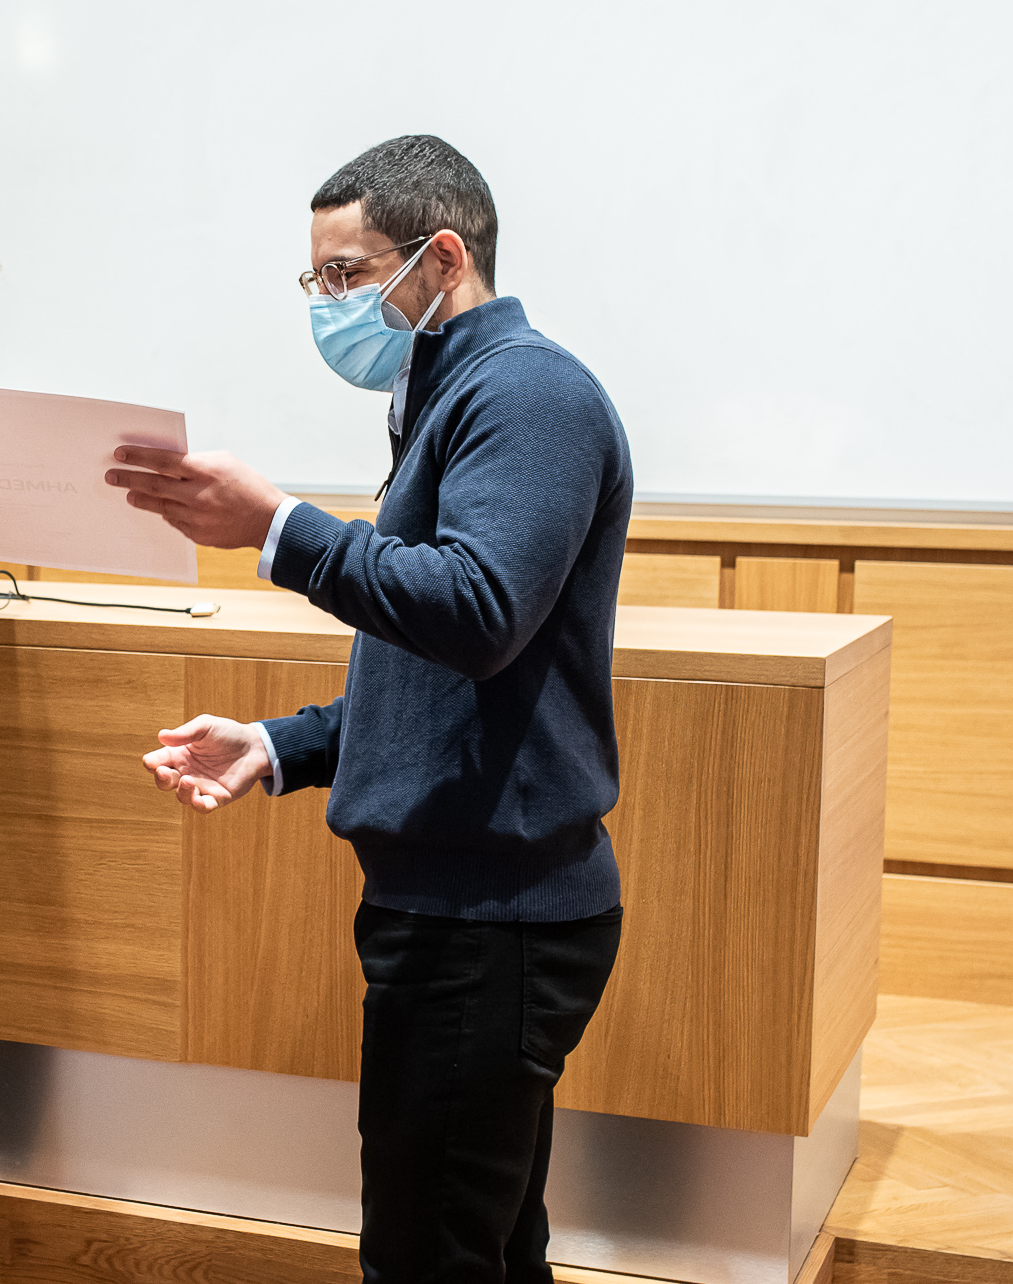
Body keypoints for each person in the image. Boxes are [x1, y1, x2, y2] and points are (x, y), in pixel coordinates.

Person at [110, 135, 632, 1284]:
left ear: (441, 257)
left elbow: (478, 610)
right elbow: (435, 671)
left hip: (488, 918)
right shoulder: (447, 394)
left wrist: (277, 527)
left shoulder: (528, 392)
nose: (328, 305)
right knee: (488, 1246)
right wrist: (277, 743)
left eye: (348, 276)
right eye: (318, 281)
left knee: (425, 1256)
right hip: (458, 906)